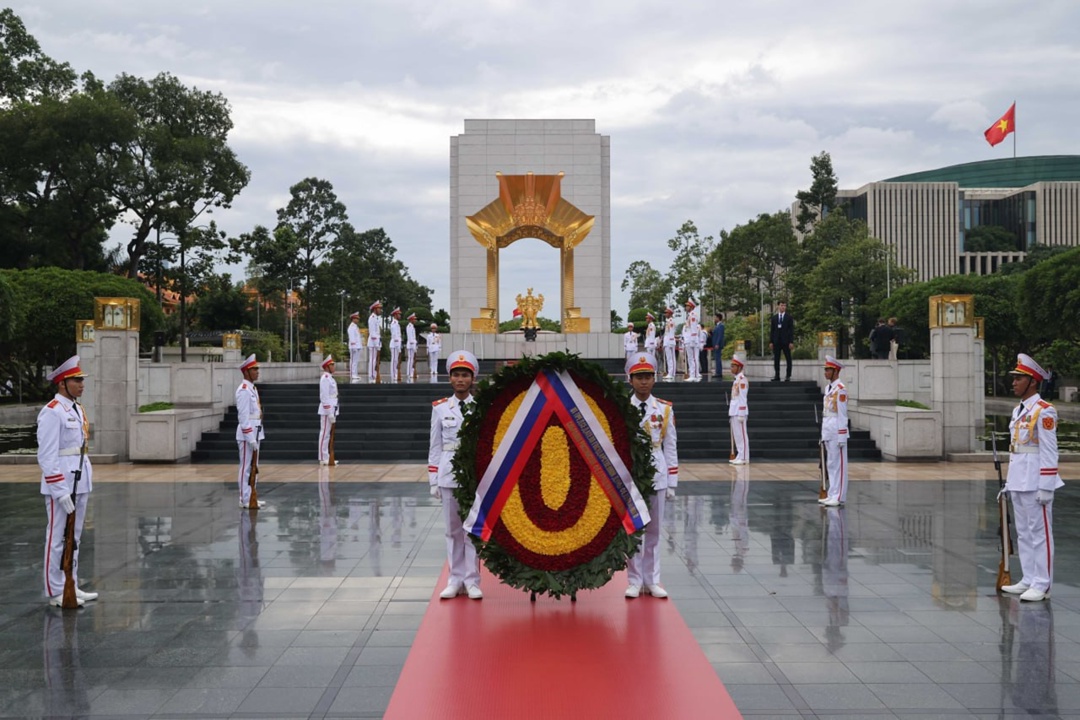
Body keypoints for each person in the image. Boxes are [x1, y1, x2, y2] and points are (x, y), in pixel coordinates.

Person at [1001, 353, 1063, 602]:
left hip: (1036, 481)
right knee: (1024, 533)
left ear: (1032, 382)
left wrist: (1047, 485)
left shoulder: (1045, 411)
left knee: (1040, 533)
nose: (1014, 382)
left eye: (1019, 378)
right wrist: (1009, 481)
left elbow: (1049, 450)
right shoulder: (1019, 410)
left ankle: (1042, 584)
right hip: (1018, 479)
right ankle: (1028, 578)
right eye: (1014, 378)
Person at [38, 355, 97, 607]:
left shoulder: (76, 408)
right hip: (61, 482)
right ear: (62, 383)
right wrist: (59, 490)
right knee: (57, 537)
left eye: (82, 380)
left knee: (75, 536)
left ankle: (70, 581)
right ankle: (55, 590)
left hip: (80, 479)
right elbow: (47, 455)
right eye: (77, 380)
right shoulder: (52, 412)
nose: (82, 385)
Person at [429, 350, 482, 600]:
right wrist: (433, 479)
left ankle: (472, 580)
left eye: (465, 375)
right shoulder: (440, 408)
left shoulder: (480, 407)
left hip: (472, 475)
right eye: (456, 375)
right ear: (450, 379)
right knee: (452, 530)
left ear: (472, 379)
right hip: (449, 473)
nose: (460, 379)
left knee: (471, 530)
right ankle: (455, 579)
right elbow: (435, 446)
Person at [624, 352, 678, 599]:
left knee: (655, 532)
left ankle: (653, 580)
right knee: (634, 531)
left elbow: (670, 446)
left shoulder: (664, 409)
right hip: (633, 477)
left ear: (654, 379)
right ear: (630, 379)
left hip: (657, 474)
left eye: (647, 377)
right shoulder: (624, 407)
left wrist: (672, 482)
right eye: (639, 377)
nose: (643, 382)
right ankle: (634, 580)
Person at [236, 354, 265, 509]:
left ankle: (252, 494)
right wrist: (250, 438)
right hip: (248, 434)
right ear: (246, 372)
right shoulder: (244, 390)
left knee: (254, 466)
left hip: (256, 431)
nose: (257, 371)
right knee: (246, 467)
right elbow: (243, 417)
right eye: (254, 369)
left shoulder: (252, 388)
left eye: (257, 369)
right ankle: (244, 498)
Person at [819, 356, 848, 507]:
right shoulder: (828, 388)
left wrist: (842, 435)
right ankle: (832, 493)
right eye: (825, 369)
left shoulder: (841, 389)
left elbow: (842, 414)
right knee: (830, 464)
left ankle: (838, 495)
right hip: (828, 428)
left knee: (838, 465)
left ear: (836, 371)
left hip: (837, 429)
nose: (826, 372)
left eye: (828, 370)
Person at [317, 355, 338, 465]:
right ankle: (322, 457)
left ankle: (327, 456)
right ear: (326, 367)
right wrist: (330, 413)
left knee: (328, 434)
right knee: (324, 433)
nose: (334, 366)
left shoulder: (329, 377)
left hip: (332, 409)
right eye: (331, 365)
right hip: (327, 411)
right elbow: (324, 397)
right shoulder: (325, 378)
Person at [728, 354, 749, 465]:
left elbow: (742, 398)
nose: (731, 368)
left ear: (739, 367)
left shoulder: (742, 380)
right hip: (734, 411)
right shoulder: (736, 380)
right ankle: (740, 455)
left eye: (733, 366)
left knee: (742, 435)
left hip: (739, 412)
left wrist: (741, 412)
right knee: (737, 435)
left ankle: (744, 457)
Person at [769, 300, 795, 381]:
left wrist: (791, 341)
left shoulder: (789, 318)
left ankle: (788, 375)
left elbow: (791, 330)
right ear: (778, 306)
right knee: (776, 359)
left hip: (786, 342)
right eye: (781, 305)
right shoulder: (774, 318)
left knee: (788, 358)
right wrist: (771, 341)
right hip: (777, 341)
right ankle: (777, 375)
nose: (783, 307)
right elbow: (772, 330)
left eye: (784, 305)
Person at [683, 298, 701, 382]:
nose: (686, 307)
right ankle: (692, 374)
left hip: (692, 340)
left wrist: (693, 340)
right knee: (691, 358)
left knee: (694, 358)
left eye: (687, 306)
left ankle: (695, 375)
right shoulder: (690, 315)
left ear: (691, 307)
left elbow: (694, 328)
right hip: (689, 339)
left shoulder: (693, 315)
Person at [367, 301, 383, 383]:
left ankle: (374, 375)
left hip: (376, 342)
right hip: (373, 343)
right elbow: (372, 333)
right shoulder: (372, 318)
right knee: (373, 360)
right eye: (379, 308)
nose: (380, 310)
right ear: (375, 309)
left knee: (375, 360)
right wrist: (377, 344)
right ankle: (372, 376)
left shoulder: (376, 318)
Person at [661, 307, 677, 381]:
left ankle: (671, 373)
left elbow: (671, 332)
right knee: (668, 358)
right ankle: (670, 373)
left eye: (666, 313)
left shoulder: (671, 321)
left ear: (670, 313)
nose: (665, 314)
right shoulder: (668, 321)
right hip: (667, 341)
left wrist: (670, 341)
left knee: (671, 358)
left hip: (670, 341)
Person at [347, 311, 362, 381]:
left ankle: (355, 374)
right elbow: (352, 338)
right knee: (353, 361)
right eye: (356, 318)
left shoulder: (355, 326)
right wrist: (354, 347)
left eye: (358, 319)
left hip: (357, 346)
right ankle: (352, 374)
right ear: (353, 319)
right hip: (354, 347)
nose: (358, 320)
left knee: (356, 361)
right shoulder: (351, 327)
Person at [388, 307, 403, 383]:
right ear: (395, 315)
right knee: (394, 360)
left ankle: (395, 374)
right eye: (399, 314)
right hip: (394, 345)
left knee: (396, 360)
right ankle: (393, 375)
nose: (400, 315)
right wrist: (398, 346)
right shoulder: (394, 324)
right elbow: (394, 336)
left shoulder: (397, 323)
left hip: (397, 345)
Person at [711, 313, 726, 379]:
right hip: (715, 344)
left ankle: (719, 372)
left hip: (718, 345)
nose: (714, 319)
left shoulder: (721, 326)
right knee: (716, 358)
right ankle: (717, 371)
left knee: (718, 359)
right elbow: (715, 335)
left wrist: (717, 343)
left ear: (718, 318)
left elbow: (720, 336)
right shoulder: (717, 326)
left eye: (715, 318)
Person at [405, 313, 418, 382]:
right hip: (411, 345)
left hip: (413, 345)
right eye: (414, 319)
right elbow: (410, 339)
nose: (415, 320)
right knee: (410, 359)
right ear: (411, 320)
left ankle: (411, 373)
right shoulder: (409, 327)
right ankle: (409, 373)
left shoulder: (412, 326)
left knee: (412, 360)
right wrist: (414, 346)